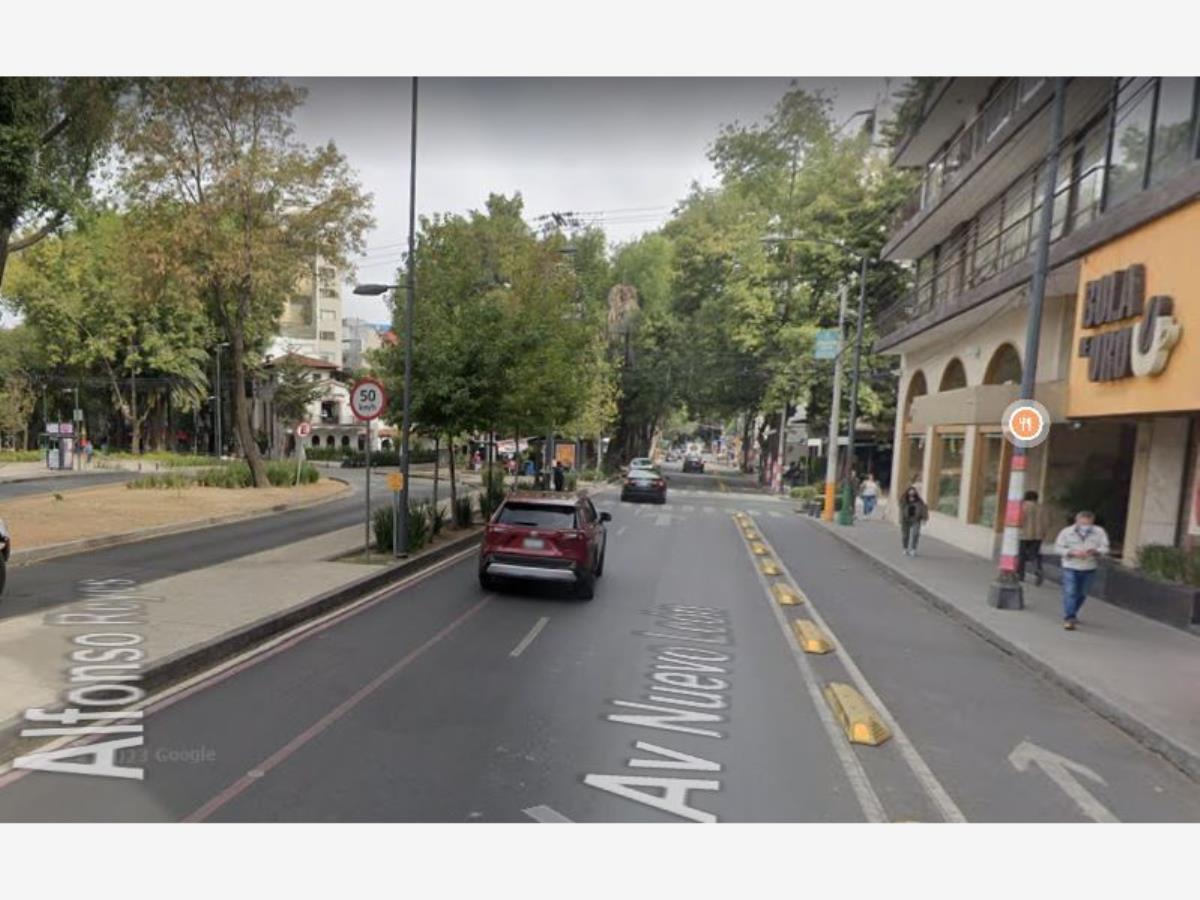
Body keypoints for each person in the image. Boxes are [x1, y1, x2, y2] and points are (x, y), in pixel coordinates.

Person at [1054, 510, 1110, 631]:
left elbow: (1105, 547)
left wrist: (1096, 551)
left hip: (1089, 566)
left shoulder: (1099, 532)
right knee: (1070, 592)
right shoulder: (1066, 532)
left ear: (1092, 522)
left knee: (1082, 593)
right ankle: (1069, 617)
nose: (1085, 526)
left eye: (1088, 524)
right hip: (1070, 566)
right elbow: (1058, 548)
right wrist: (1071, 552)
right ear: (1077, 521)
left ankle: (1073, 612)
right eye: (1083, 523)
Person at [1017, 490, 1048, 585]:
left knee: (1021, 555)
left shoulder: (1023, 506)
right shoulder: (1042, 507)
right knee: (1034, 554)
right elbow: (1047, 522)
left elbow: (1019, 520)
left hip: (1023, 535)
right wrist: (1043, 533)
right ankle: (1038, 570)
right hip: (1038, 535)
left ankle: (1020, 575)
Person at [898, 486, 928, 557]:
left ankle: (913, 549)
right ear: (907, 492)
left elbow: (924, 509)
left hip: (916, 519)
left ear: (915, 492)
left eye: (913, 491)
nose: (911, 492)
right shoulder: (904, 500)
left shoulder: (919, 501)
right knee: (905, 535)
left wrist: (924, 518)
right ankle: (905, 548)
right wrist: (900, 519)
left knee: (916, 534)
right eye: (910, 491)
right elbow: (901, 511)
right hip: (905, 520)